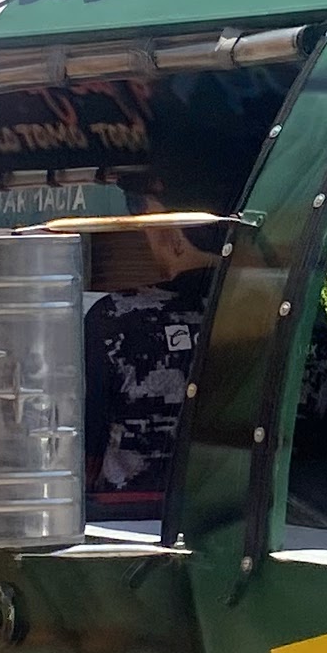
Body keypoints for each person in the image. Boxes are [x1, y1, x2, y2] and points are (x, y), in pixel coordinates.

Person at [84, 213, 225, 516]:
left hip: (132, 522)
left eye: (150, 221)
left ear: (174, 237)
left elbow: (82, 455)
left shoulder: (117, 318)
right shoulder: (296, 315)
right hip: (279, 522)